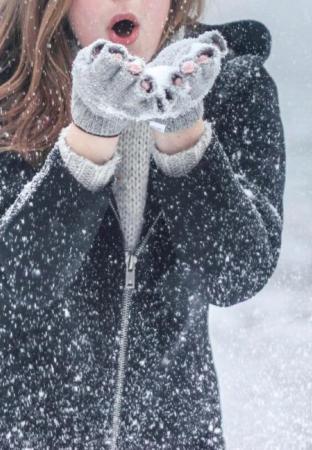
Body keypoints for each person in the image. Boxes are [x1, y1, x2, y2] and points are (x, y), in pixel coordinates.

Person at [0, 0, 285, 448]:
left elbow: (237, 274)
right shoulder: (8, 88)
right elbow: (16, 282)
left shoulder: (233, 87)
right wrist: (91, 134)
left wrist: (183, 132)